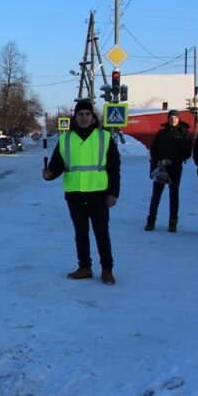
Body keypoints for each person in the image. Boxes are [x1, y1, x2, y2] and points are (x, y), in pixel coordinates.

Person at [43, 100, 120, 285]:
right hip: (75, 194)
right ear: (75, 117)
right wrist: (49, 174)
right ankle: (84, 267)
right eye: (80, 114)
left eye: (87, 114)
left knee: (101, 233)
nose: (84, 117)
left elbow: (114, 167)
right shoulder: (66, 139)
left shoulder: (104, 137)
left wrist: (113, 193)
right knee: (81, 233)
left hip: (99, 193)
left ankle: (107, 269)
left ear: (93, 117)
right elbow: (57, 165)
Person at [145, 109, 192, 232]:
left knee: (173, 195)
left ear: (179, 119)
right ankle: (151, 221)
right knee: (156, 195)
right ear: (168, 119)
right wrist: (157, 161)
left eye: (175, 118)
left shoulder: (184, 133)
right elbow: (154, 149)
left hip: (175, 167)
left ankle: (173, 222)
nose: (173, 120)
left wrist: (172, 160)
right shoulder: (162, 133)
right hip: (161, 167)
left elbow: (186, 152)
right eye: (171, 118)